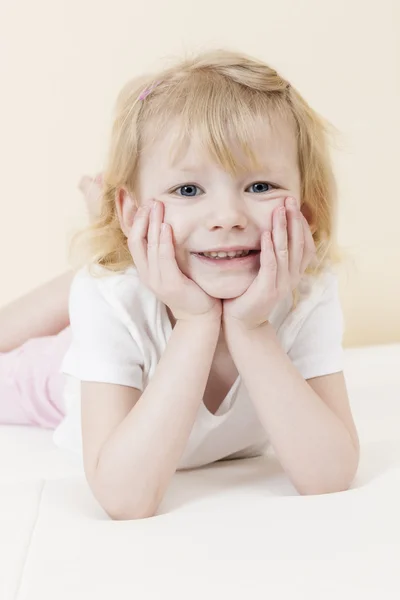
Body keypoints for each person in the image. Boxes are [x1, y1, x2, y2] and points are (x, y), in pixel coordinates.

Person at [0, 48, 360, 519]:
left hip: (135, 289)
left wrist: (251, 329)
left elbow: (329, 475)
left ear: (306, 209)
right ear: (137, 210)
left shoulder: (308, 292)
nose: (228, 217)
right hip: (61, 371)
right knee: (99, 282)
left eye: (259, 187)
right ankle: (115, 251)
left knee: (106, 280)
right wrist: (193, 321)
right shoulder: (113, 301)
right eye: (188, 190)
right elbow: (126, 499)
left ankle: (118, 247)